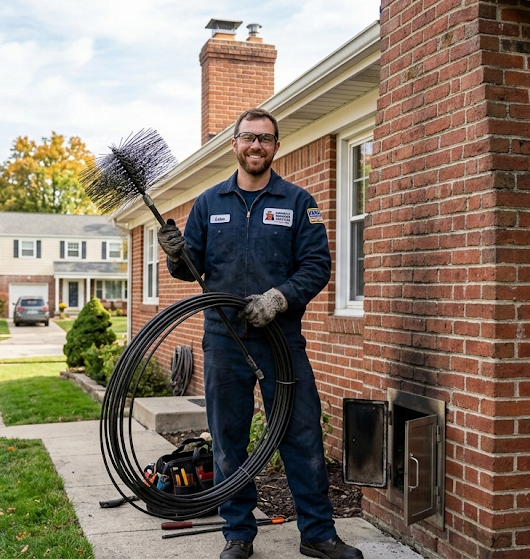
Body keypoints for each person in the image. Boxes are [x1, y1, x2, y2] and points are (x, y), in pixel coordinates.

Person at [158, 108, 363, 559]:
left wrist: (279, 299)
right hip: (224, 340)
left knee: (301, 434)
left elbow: (317, 266)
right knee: (228, 438)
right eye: (249, 138)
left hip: (281, 342)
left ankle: (318, 534)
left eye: (266, 139)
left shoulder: (297, 202)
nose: (256, 146)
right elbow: (188, 266)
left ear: (276, 146)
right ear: (234, 144)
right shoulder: (209, 204)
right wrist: (173, 255)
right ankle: (238, 534)